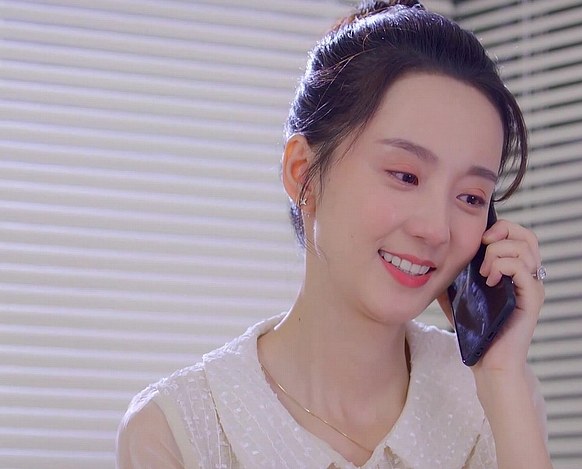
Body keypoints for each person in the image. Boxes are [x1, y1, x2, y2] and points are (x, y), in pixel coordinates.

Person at [116, 1, 551, 467]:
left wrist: (501, 376)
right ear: (303, 174)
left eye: (470, 197)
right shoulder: (179, 432)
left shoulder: (497, 401)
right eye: (405, 176)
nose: (435, 229)